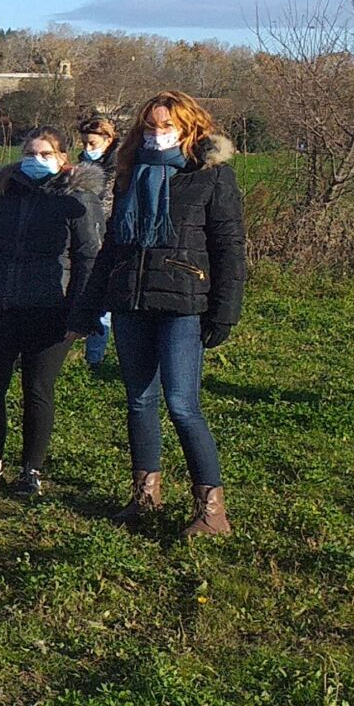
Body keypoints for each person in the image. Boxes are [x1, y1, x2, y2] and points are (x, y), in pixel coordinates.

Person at [69, 92, 246, 537]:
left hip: (184, 304)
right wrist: (90, 303)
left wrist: (224, 310)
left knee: (183, 405)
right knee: (139, 401)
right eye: (149, 125)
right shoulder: (130, 173)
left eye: (166, 124)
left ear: (190, 127)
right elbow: (112, 246)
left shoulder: (211, 176)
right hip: (132, 301)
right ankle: (146, 494)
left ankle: (212, 510)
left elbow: (229, 248)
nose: (156, 132)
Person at [0, 128, 101, 496]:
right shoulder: (4, 196)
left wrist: (80, 315)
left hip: (50, 310)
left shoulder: (76, 199)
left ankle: (30, 470)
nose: (35, 160)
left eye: (45, 154)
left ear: (62, 159)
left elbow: (87, 258)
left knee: (37, 389)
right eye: (29, 153)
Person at [73, 115, 120, 368]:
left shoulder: (119, 167)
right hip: (84, 234)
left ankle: (95, 357)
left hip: (107, 237)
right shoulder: (81, 164)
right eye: (84, 144)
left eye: (92, 144)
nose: (87, 149)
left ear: (108, 140)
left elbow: (106, 204)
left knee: (103, 301)